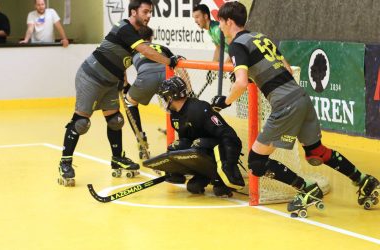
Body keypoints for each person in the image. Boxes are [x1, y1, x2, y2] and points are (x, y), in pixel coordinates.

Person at [211, 1, 380, 214]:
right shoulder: (261, 37)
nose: (220, 28)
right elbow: (288, 69)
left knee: (256, 162)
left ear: (229, 21)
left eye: (220, 23)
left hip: (285, 104)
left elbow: (241, 82)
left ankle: (306, 189)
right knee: (316, 152)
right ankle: (363, 180)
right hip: (301, 97)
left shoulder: (237, 45)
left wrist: (224, 102)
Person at [57, 0, 182, 186]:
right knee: (81, 122)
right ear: (133, 12)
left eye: (150, 13)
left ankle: (117, 158)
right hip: (91, 77)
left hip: (110, 82)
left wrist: (124, 84)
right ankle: (65, 163)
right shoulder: (125, 28)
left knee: (115, 121)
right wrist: (168, 61)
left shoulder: (135, 34)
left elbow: (122, 61)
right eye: (145, 12)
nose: (148, 16)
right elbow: (145, 50)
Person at [157, 75, 245, 197]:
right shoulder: (175, 115)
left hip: (219, 149)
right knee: (176, 147)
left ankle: (220, 177)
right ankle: (204, 173)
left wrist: (229, 165)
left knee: (199, 143)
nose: (163, 100)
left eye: (164, 97)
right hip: (203, 148)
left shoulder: (199, 109)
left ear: (171, 97)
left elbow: (229, 136)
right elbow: (186, 141)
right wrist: (174, 168)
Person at [124, 25, 175, 159]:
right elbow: (175, 64)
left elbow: (121, 66)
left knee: (129, 102)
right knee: (175, 107)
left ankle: (140, 138)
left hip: (146, 77)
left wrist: (124, 85)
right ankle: (181, 143)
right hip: (167, 75)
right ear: (151, 38)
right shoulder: (162, 48)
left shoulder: (134, 49)